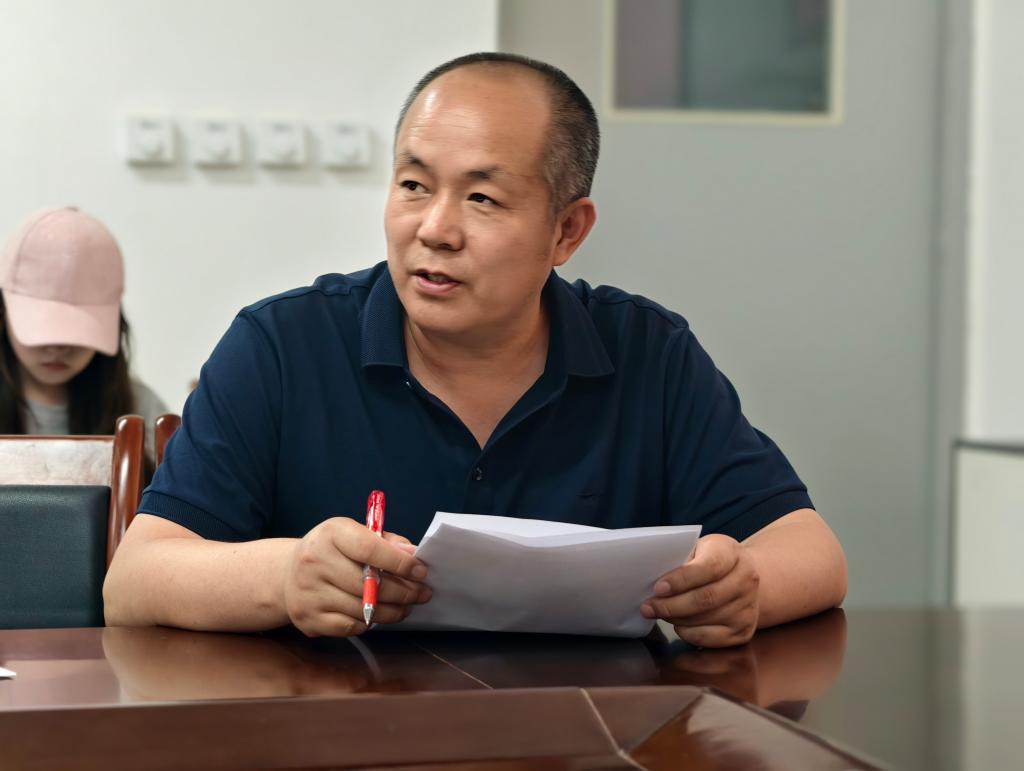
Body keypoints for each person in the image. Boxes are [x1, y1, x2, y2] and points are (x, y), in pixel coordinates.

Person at [104, 53, 847, 648]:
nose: (435, 228)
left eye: (482, 198)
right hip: (337, 732)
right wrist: (284, 575)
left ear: (567, 231)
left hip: (589, 733)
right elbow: (134, 582)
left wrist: (743, 585)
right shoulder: (283, 345)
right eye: (413, 185)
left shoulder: (648, 354)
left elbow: (812, 552)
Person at [0, 207, 168, 457]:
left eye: (76, 332)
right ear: (4, 313)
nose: (57, 347)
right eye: (43, 328)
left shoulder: (141, 410)